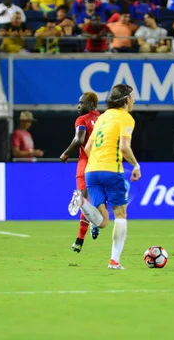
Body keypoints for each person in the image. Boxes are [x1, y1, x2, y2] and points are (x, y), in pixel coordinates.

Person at [67, 84, 140, 270]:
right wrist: (135, 165)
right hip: (111, 169)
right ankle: (114, 261)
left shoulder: (103, 117)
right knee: (121, 214)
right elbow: (124, 147)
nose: (133, 101)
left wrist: (98, 163)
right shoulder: (126, 118)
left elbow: (89, 148)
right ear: (126, 99)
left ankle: (82, 202)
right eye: (132, 97)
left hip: (91, 171)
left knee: (103, 221)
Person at [59, 92, 101, 253]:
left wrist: (66, 153)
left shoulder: (81, 120)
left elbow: (79, 139)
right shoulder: (102, 118)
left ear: (90, 104)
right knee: (97, 200)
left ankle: (79, 240)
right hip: (101, 163)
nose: (78, 106)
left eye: (81, 103)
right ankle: (95, 222)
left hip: (85, 164)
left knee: (84, 202)